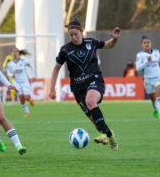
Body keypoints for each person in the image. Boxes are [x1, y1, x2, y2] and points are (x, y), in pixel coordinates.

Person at [49, 19, 120, 150]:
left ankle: (102, 134)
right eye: (71, 35)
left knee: (91, 102)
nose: (74, 37)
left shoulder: (91, 43)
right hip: (78, 89)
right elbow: (56, 68)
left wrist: (115, 39)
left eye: (76, 34)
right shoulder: (65, 50)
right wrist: (52, 88)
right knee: (95, 120)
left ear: (81, 31)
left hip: (95, 80)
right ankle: (109, 135)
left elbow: (109, 45)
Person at [135, 36, 160, 125]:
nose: (147, 44)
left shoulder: (156, 52)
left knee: (159, 96)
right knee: (153, 100)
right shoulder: (140, 55)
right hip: (147, 80)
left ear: (151, 43)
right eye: (144, 43)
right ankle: (155, 108)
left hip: (158, 77)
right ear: (142, 45)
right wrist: (146, 62)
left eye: (148, 42)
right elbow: (138, 68)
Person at [7, 47, 35, 117]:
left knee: (26, 97)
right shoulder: (10, 63)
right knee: (21, 98)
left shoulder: (23, 61)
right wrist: (11, 75)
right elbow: (8, 73)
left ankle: (30, 99)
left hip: (25, 81)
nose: (14, 53)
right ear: (11, 53)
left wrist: (33, 76)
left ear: (18, 53)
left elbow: (31, 66)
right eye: (13, 52)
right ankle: (27, 113)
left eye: (16, 51)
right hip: (16, 82)